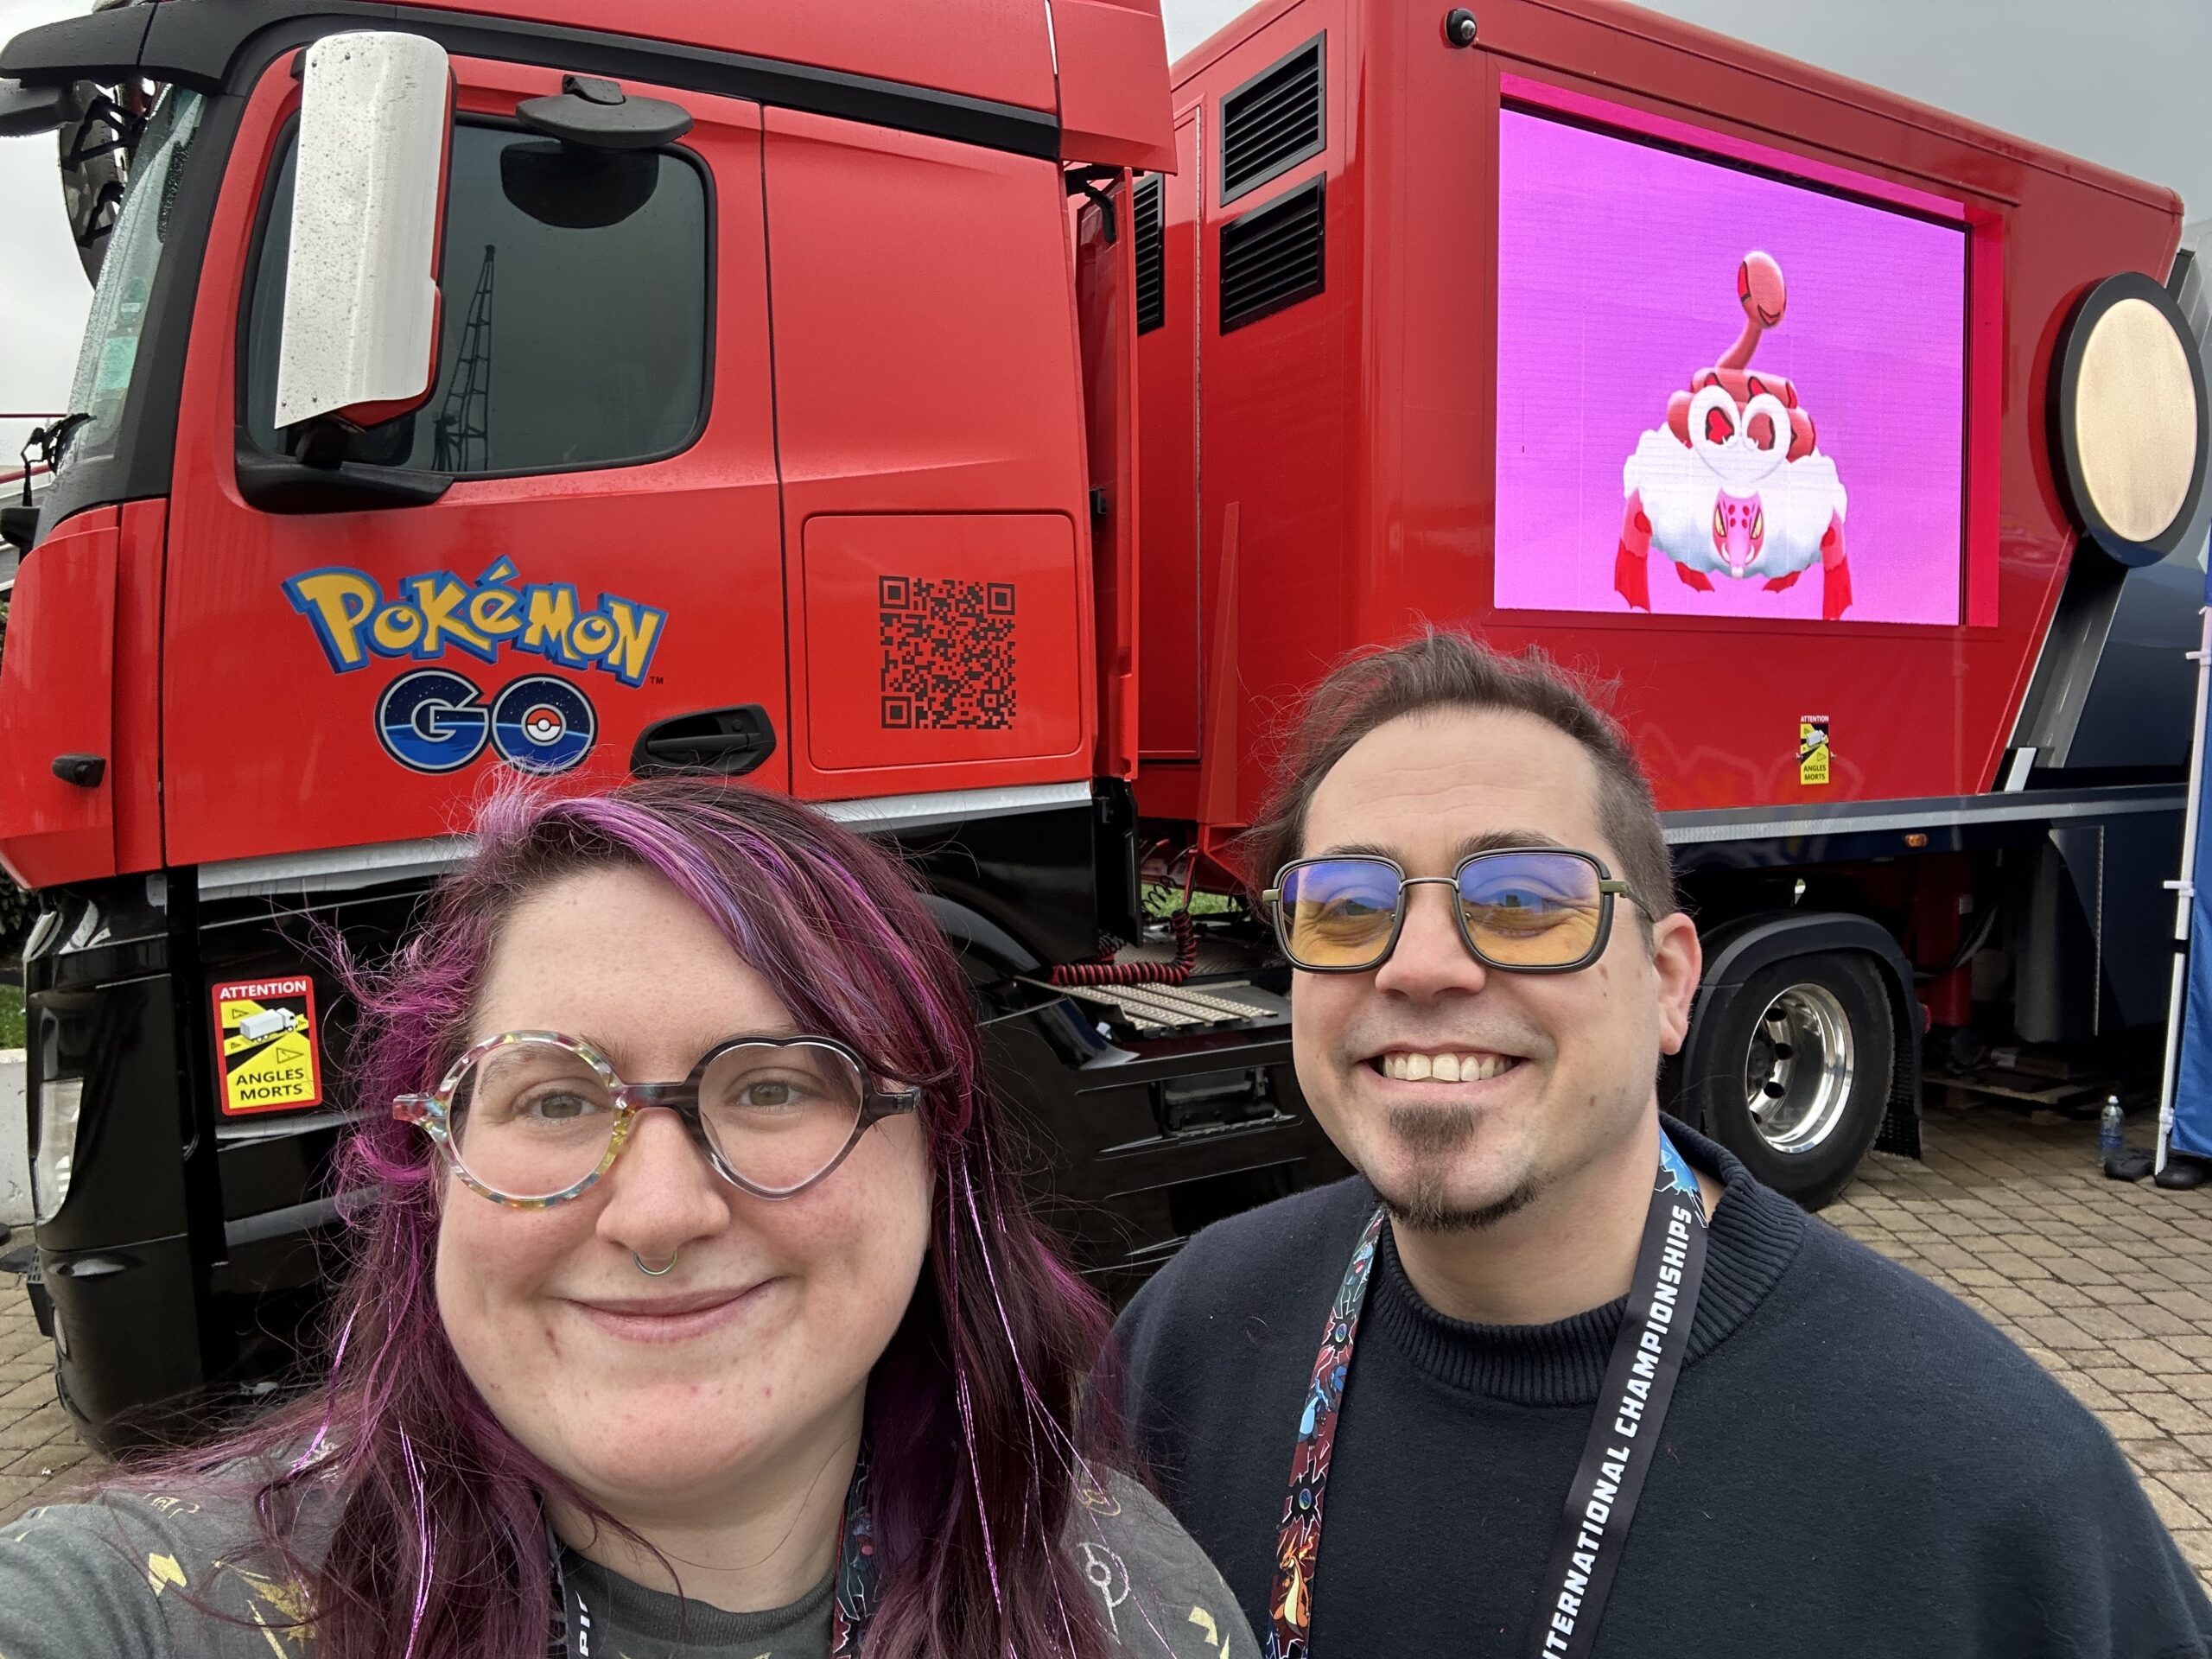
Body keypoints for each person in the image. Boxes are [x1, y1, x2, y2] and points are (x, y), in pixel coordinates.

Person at [1114, 630, 2212, 1658]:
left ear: (1669, 981)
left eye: (1524, 898)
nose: (1421, 965)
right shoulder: (1189, 1337)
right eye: (1349, 904)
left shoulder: (1984, 1484)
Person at [0, 780, 1253, 1659]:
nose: (656, 1215)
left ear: (939, 1159)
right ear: (431, 1168)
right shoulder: (153, 1605)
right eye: (553, 1099)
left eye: (774, 1088)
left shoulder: (1138, 1603)